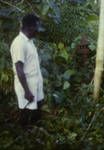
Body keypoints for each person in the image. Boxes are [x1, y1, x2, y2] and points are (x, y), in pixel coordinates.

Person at [10, 14, 44, 127]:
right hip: (26, 85)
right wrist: (27, 91)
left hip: (35, 83)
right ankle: (23, 136)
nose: (38, 31)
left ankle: (35, 134)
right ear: (30, 27)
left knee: (37, 110)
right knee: (26, 112)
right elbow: (19, 69)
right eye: (37, 27)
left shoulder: (29, 41)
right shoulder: (19, 43)